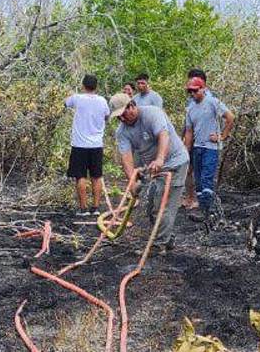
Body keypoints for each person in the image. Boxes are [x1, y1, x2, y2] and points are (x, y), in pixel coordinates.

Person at [109, 92, 190, 252]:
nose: (122, 118)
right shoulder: (122, 132)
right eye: (118, 116)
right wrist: (132, 181)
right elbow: (126, 158)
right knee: (151, 205)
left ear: (131, 106)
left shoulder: (152, 113)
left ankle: (159, 245)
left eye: (123, 113)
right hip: (154, 169)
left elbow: (163, 136)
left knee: (163, 204)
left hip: (175, 162)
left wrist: (160, 159)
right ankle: (166, 238)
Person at [182, 76, 234, 221]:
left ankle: (207, 211)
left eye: (194, 91)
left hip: (211, 148)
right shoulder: (190, 107)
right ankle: (203, 209)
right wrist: (186, 149)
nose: (192, 94)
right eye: (189, 91)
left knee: (206, 179)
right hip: (197, 147)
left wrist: (222, 136)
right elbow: (189, 130)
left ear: (203, 89)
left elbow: (230, 117)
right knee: (198, 179)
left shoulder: (212, 102)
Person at [64, 74, 109, 215]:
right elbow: (107, 116)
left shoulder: (77, 98)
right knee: (96, 176)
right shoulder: (102, 101)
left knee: (80, 176)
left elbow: (65, 103)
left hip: (79, 145)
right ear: (96, 87)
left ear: (83, 85)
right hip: (96, 145)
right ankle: (95, 208)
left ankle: (83, 208)